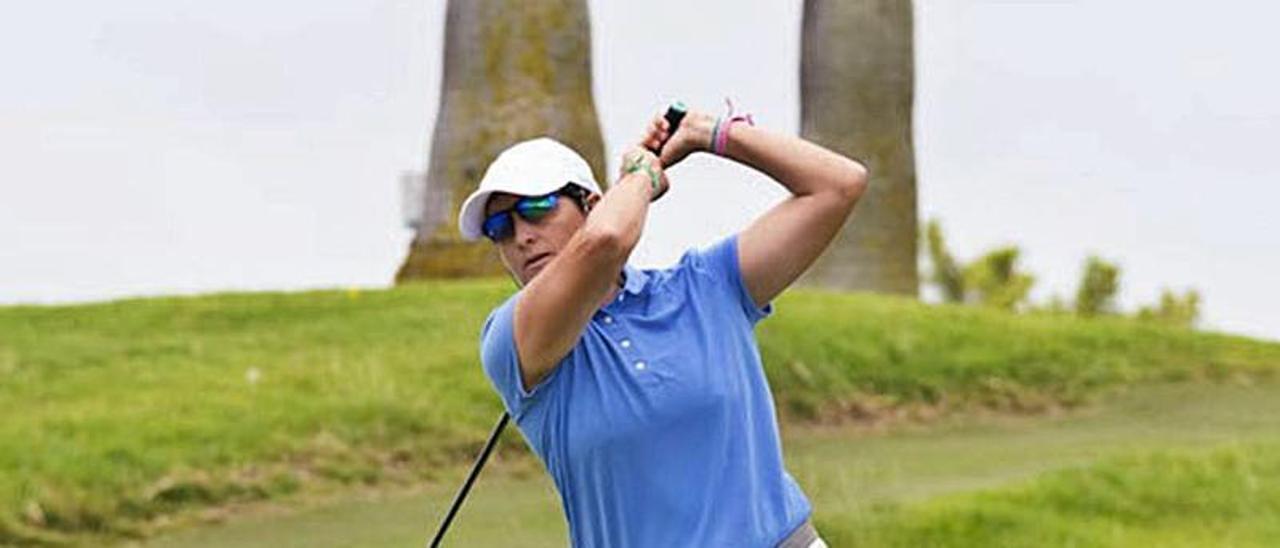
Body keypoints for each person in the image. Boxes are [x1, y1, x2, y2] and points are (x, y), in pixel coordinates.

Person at [457, 104, 868, 547]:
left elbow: (837, 185)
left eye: (536, 208)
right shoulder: (511, 340)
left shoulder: (706, 286)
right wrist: (640, 175)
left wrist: (708, 133)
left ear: (592, 204)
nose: (521, 236)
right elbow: (605, 240)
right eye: (499, 227)